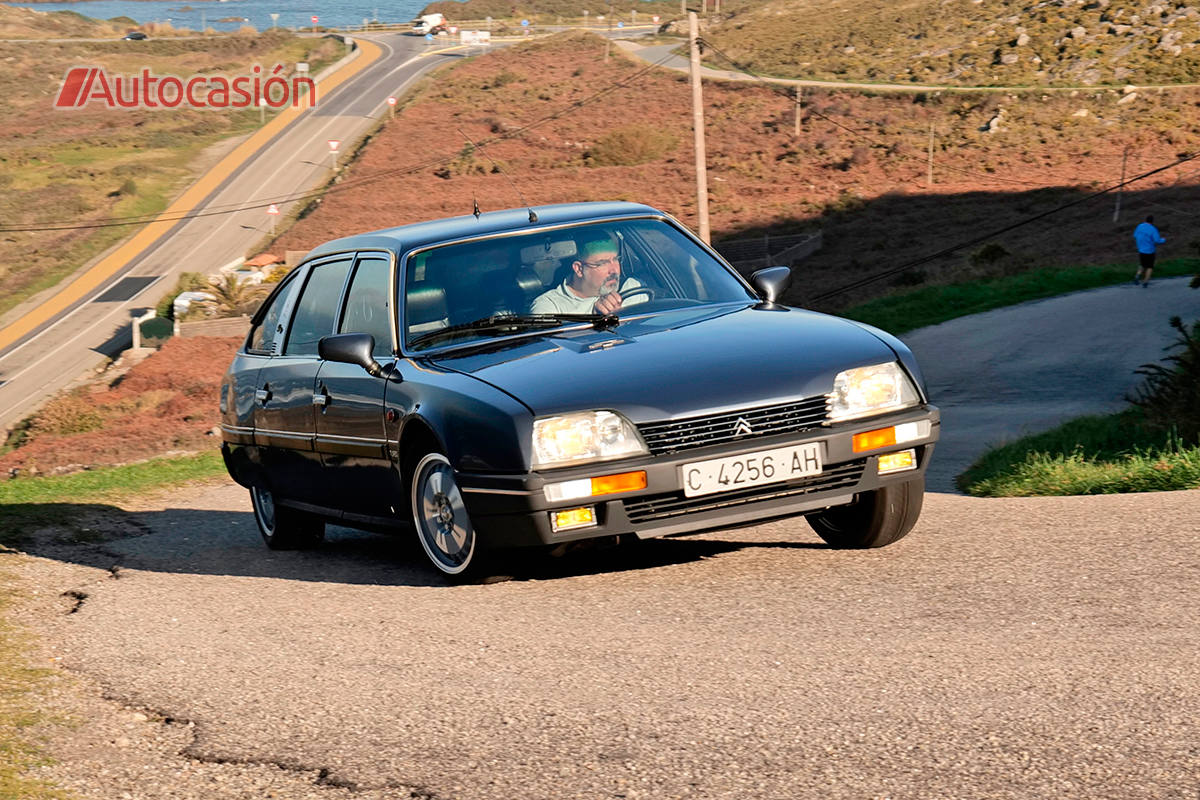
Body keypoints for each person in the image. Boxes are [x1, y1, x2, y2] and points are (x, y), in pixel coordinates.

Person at [530, 231, 645, 315]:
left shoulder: (633, 289)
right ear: (579, 269)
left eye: (615, 259)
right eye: (602, 263)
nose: (614, 270)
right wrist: (595, 318)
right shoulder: (551, 307)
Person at [1133, 214, 1165, 288]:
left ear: (1145, 220)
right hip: (1150, 251)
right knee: (1150, 267)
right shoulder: (1153, 229)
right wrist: (1163, 240)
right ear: (1152, 221)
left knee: (1142, 264)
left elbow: (1135, 235)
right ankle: (1145, 282)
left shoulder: (1139, 226)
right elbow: (1157, 240)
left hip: (1141, 250)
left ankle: (1137, 276)